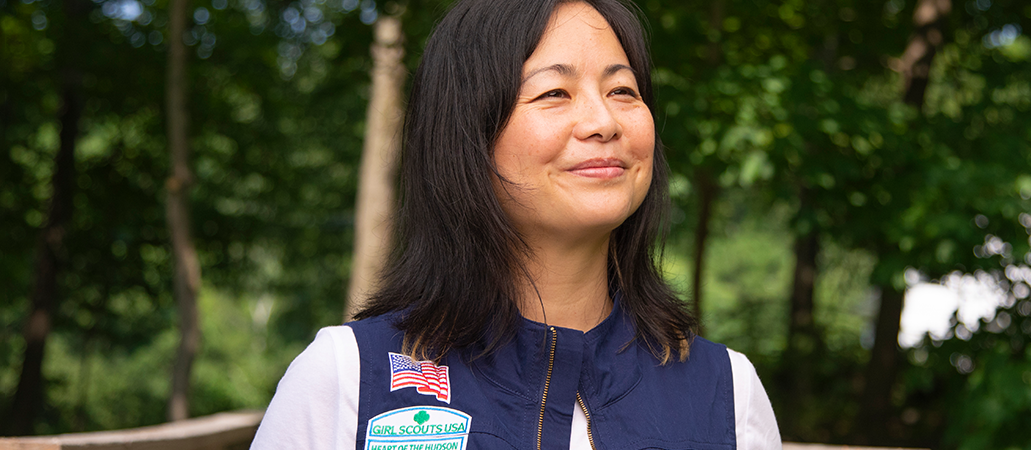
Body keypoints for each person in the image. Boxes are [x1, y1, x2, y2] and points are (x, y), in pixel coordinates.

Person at [249, 0, 779, 448]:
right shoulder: (347, 378)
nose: (604, 122)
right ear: (467, 134)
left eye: (623, 91)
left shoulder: (727, 391)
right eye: (555, 93)